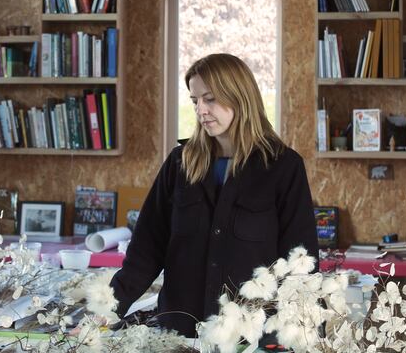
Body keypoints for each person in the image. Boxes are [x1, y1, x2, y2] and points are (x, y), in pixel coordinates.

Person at [110, 53, 318, 337]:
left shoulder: (284, 167)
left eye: (210, 99)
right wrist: (108, 308)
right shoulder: (179, 164)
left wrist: (301, 336)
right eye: (195, 101)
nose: (201, 110)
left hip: (252, 340)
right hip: (181, 335)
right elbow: (146, 249)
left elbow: (301, 261)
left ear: (239, 97)